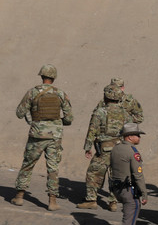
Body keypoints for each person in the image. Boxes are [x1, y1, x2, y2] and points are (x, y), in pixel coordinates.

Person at [12, 64, 74, 211]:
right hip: (55, 136)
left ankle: (19, 196)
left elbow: (19, 112)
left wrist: (32, 119)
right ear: (54, 77)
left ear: (41, 76)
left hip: (37, 134)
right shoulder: (60, 93)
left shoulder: (32, 92)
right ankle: (52, 201)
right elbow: (69, 118)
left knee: (28, 164)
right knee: (53, 168)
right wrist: (58, 124)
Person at [77, 84, 131, 210]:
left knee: (93, 173)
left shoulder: (100, 112)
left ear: (106, 96)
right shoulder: (125, 114)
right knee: (116, 175)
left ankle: (91, 200)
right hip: (120, 150)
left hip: (104, 150)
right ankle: (113, 202)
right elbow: (129, 133)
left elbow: (92, 130)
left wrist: (87, 147)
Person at [109, 123, 148, 225]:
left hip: (117, 188)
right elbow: (138, 175)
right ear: (129, 137)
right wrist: (144, 193)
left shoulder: (116, 149)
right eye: (137, 135)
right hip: (129, 189)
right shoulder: (132, 152)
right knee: (129, 221)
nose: (139, 137)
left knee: (130, 217)